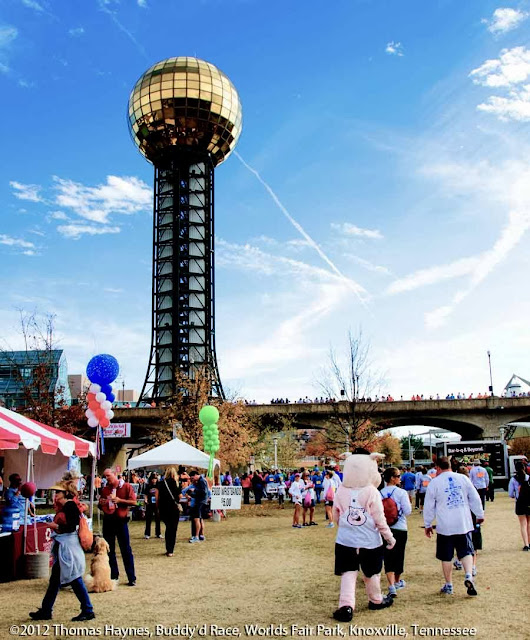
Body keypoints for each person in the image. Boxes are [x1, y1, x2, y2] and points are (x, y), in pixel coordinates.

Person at [29, 478, 94, 622]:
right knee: (56, 580)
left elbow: (72, 526)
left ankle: (88, 609)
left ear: (65, 493)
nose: (55, 494)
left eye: (58, 492)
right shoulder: (65, 506)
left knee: (74, 577)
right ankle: (46, 610)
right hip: (63, 544)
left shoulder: (70, 506)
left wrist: (56, 527)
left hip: (69, 545)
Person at [423, 457, 484, 597]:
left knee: (446, 556)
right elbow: (474, 498)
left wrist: (427, 524)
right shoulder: (463, 479)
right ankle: (468, 574)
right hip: (463, 522)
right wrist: (479, 514)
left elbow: (429, 506)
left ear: (438, 468)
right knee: (466, 551)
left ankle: (449, 584)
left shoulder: (434, 483)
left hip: (445, 525)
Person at [98, 468, 137, 586]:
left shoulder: (126, 486)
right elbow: (100, 504)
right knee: (110, 550)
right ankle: (114, 576)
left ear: (115, 475)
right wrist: (102, 503)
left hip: (121, 521)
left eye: (108, 476)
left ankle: (131, 577)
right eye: (105, 476)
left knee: (125, 549)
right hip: (108, 520)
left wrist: (120, 500)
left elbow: (134, 502)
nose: (107, 478)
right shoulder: (105, 489)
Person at [380, 467, 412, 598]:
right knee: (399, 555)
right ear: (392, 478)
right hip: (400, 527)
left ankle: (391, 584)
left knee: (388, 556)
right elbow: (408, 511)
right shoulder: (401, 492)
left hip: (385, 528)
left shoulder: (379, 493)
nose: (400, 478)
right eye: (398, 476)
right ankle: (397, 581)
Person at [157, 467, 181, 557]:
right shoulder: (175, 483)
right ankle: (171, 550)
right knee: (173, 529)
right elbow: (180, 496)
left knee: (168, 528)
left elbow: (157, 496)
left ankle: (168, 548)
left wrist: (158, 508)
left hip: (163, 508)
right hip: (173, 508)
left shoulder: (160, 483)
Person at [508, 461, 530, 551]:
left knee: (523, 525)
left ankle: (526, 544)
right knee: (529, 524)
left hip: (520, 503)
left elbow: (510, 494)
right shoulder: (528, 478)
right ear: (524, 468)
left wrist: (515, 495)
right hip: (529, 502)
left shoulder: (513, 479)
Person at [188, 470, 208, 543]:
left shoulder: (201, 481)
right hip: (202, 501)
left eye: (192, 478)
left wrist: (195, 490)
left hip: (200, 502)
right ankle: (201, 535)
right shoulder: (201, 480)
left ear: (196, 475)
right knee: (200, 519)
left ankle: (196, 536)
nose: (192, 480)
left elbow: (203, 492)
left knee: (196, 519)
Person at [143, 473, 161, 539]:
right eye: (153, 479)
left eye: (155, 479)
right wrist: (146, 500)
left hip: (157, 504)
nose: (154, 480)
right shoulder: (148, 486)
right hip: (150, 504)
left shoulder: (159, 486)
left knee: (158, 519)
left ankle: (158, 533)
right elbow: (145, 494)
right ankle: (147, 534)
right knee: (148, 519)